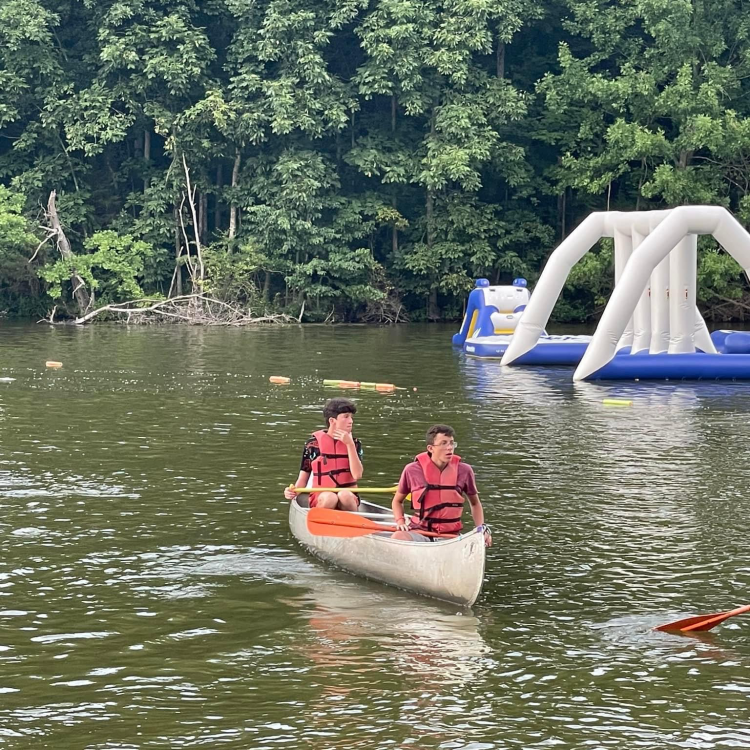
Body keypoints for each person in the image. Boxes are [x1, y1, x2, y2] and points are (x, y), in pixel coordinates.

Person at [391, 424, 491, 546]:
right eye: (443, 443)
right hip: (420, 532)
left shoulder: (465, 470)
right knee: (398, 536)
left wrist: (481, 529)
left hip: (451, 536)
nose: (449, 448)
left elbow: (475, 503)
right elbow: (397, 501)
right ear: (430, 448)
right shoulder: (412, 470)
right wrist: (400, 521)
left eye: (451, 443)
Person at [284, 398, 363, 511]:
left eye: (351, 417)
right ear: (332, 421)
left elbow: (357, 475)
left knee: (344, 495)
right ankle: (320, 522)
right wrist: (292, 491)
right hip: (321, 497)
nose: (351, 421)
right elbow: (303, 478)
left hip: (348, 497)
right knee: (329, 497)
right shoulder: (313, 445)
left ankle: (351, 523)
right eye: (346, 417)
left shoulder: (355, 444)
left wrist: (349, 444)